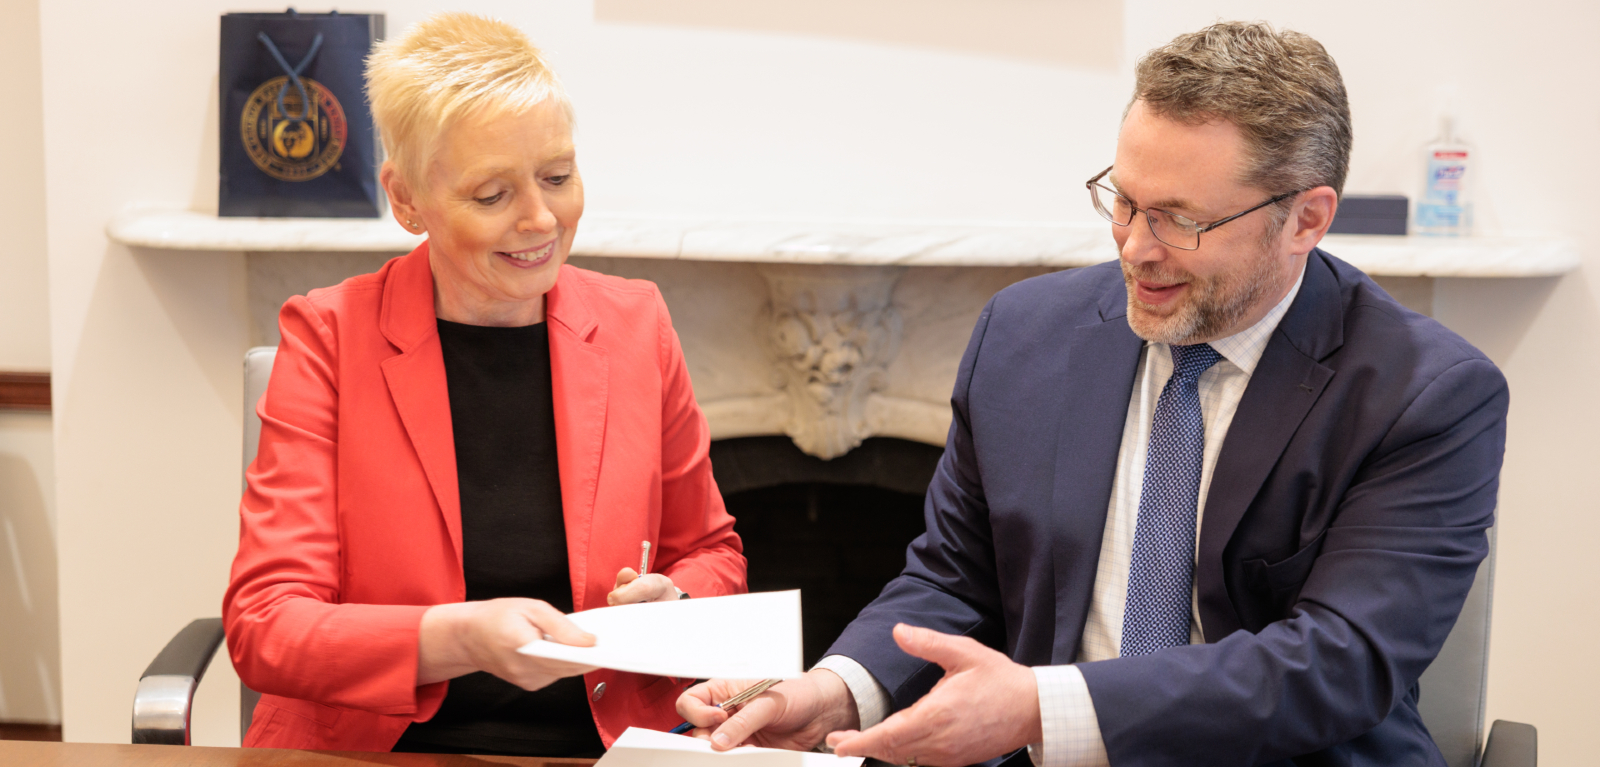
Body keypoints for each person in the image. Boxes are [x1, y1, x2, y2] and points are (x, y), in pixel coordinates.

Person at [680, 21, 1506, 767]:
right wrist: (838, 687)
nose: (1135, 248)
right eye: (1124, 199)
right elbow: (957, 575)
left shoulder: (1425, 395)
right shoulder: (1024, 333)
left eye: (1180, 219)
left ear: (1305, 219)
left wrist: (1045, 707)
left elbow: (1340, 660)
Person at [223, 12, 746, 757]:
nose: (541, 219)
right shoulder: (329, 337)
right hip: (384, 748)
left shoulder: (637, 323)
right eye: (492, 194)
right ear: (406, 200)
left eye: (558, 177)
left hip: (608, 745)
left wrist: (679, 600)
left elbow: (713, 550)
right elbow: (266, 622)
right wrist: (450, 636)